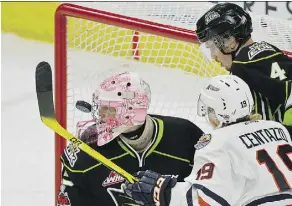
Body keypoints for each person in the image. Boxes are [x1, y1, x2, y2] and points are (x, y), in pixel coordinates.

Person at [122, 75, 292, 206]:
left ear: (216, 112)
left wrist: (163, 190)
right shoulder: (278, 129)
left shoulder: (218, 142)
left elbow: (205, 201)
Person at [57, 71, 204, 206]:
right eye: (101, 107)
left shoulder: (185, 136)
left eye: (109, 109)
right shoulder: (84, 152)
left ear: (131, 111)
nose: (100, 114)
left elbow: (210, 194)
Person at [196, 3, 292, 125]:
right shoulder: (269, 48)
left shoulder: (241, 66)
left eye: (212, 47)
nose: (213, 56)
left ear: (229, 41)